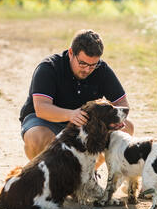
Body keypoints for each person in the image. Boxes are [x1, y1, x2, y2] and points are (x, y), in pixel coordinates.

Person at [20, 29, 133, 160]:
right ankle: (45, 175)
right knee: (37, 137)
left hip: (85, 123)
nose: (87, 69)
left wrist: (112, 123)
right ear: (71, 53)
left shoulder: (102, 69)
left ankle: (86, 175)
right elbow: (41, 109)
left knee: (127, 127)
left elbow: (123, 105)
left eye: (93, 65)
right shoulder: (49, 67)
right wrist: (70, 114)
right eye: (82, 63)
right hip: (47, 121)